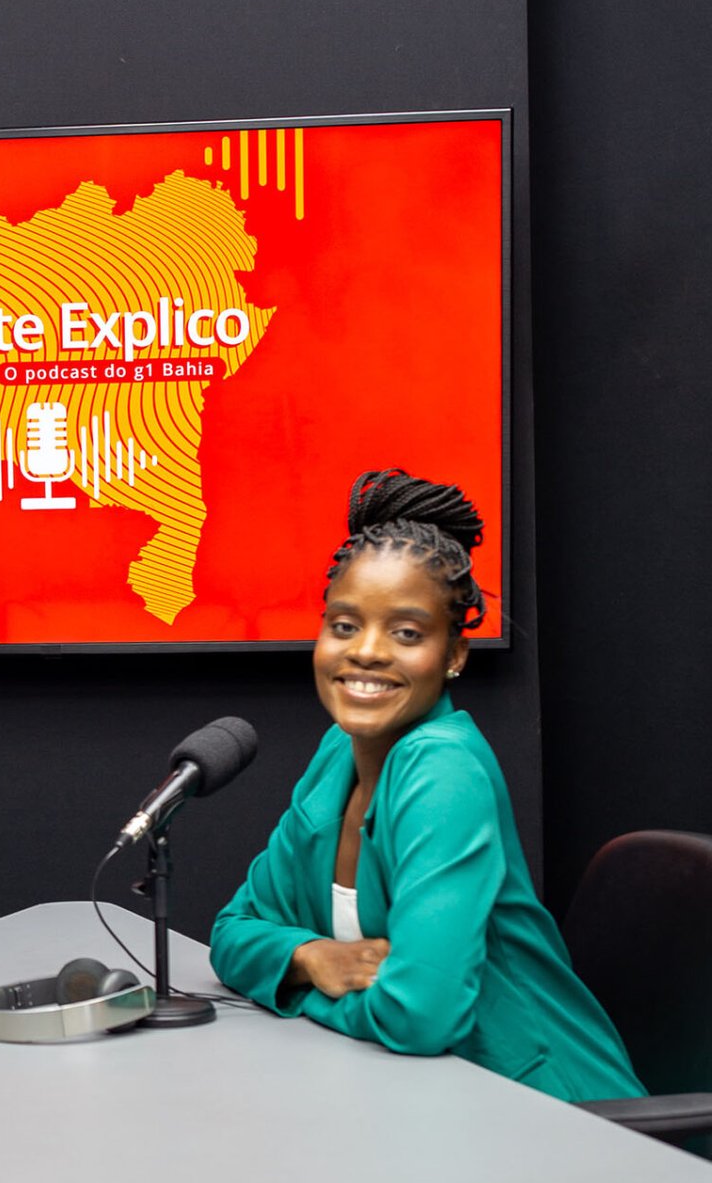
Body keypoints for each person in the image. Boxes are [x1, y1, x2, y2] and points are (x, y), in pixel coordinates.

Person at [210, 471, 642, 1101]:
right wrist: (309, 958)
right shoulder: (337, 755)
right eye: (344, 625)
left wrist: (296, 994)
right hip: (421, 1097)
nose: (367, 651)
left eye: (407, 633)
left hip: (546, 1108)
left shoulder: (443, 773)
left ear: (454, 655)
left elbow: (419, 1016)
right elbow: (232, 930)